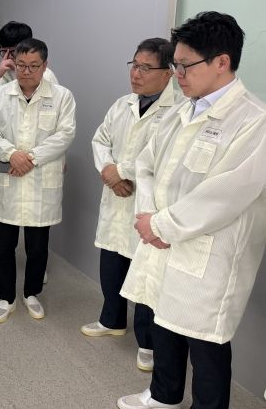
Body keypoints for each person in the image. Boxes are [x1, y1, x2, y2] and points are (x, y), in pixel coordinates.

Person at [118, 12, 266, 409]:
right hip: (163, 239)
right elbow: (146, 164)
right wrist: (150, 219)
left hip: (210, 256)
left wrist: (162, 226)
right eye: (175, 65)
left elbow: (225, 194)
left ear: (221, 62)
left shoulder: (254, 121)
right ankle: (164, 396)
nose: (177, 75)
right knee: (164, 320)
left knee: (206, 343)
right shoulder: (181, 110)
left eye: (185, 66)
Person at [80, 38, 181, 372]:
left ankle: (148, 343)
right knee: (111, 264)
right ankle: (111, 319)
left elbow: (162, 159)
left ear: (168, 73)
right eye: (134, 65)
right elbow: (100, 140)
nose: (136, 74)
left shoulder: (177, 111)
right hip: (117, 198)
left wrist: (119, 171)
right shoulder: (122, 104)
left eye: (145, 68)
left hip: (146, 206)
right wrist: (109, 172)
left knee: (146, 278)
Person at [0, 38, 75, 323]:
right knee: (3, 246)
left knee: (37, 247)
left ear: (45, 66)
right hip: (8, 179)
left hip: (39, 180)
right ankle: (6, 298)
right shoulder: (0, 95)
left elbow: (65, 134)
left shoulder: (61, 96)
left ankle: (31, 293)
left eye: (34, 66)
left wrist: (29, 158)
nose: (26, 71)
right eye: (21, 65)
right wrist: (12, 154)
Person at [0, 21, 59, 282]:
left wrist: (50, 157)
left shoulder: (48, 76)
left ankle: (36, 268)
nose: (8, 56)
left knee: (35, 218)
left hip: (35, 161)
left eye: (13, 50)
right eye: (4, 50)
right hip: (0, 157)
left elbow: (57, 123)